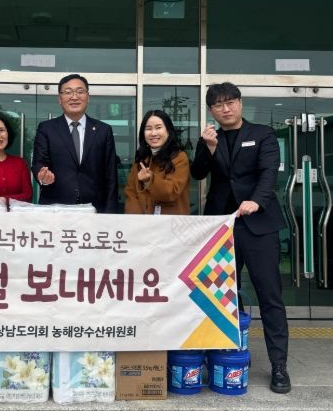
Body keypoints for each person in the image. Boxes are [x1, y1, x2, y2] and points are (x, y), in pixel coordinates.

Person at [190, 82, 291, 394]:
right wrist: (208, 148)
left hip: (258, 225)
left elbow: (268, 174)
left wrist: (256, 201)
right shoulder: (210, 137)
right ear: (211, 110)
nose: (226, 109)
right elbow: (197, 173)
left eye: (230, 102)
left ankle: (279, 365)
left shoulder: (262, 134)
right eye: (218, 105)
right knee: (223, 296)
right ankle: (227, 356)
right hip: (223, 227)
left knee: (269, 295)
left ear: (240, 103)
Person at [31, 74, 118, 212]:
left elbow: (111, 176)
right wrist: (43, 177)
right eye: (68, 92)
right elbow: (39, 163)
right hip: (56, 208)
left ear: (88, 97)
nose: (74, 97)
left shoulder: (103, 130)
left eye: (80, 91)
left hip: (95, 209)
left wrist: (110, 213)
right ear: (60, 99)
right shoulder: (46, 128)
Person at [124, 110, 190, 215]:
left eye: (158, 128)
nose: (153, 133)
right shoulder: (141, 159)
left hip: (171, 222)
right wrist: (137, 220)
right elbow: (131, 193)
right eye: (148, 129)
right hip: (142, 223)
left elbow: (171, 192)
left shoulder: (180, 157)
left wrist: (149, 180)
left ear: (168, 130)